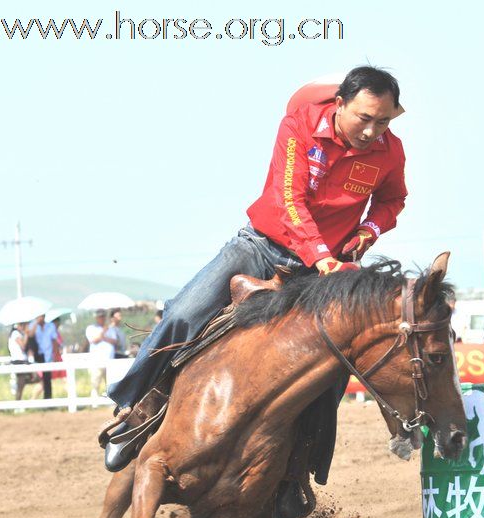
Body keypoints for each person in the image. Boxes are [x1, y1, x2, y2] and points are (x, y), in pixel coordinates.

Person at [104, 65, 408, 481]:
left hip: (325, 268)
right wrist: (320, 254)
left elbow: (393, 200)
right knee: (183, 312)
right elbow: (289, 198)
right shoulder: (298, 127)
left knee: (334, 368)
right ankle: (135, 408)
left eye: (384, 121)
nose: (373, 131)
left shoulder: (390, 152)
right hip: (261, 246)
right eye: (365, 118)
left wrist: (368, 231)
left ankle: (298, 472)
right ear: (340, 104)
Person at [86, 309, 117, 399]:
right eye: (100, 316)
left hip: (109, 359)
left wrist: (104, 337)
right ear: (96, 318)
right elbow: (93, 340)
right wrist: (103, 332)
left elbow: (114, 341)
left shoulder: (111, 329)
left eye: (103, 316)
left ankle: (110, 400)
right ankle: (94, 401)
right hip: (97, 359)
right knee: (95, 382)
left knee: (110, 382)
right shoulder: (91, 328)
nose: (102, 318)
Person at [28, 315, 59, 399]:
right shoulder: (32, 325)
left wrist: (56, 355)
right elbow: (30, 335)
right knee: (40, 379)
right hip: (37, 356)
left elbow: (54, 340)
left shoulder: (50, 326)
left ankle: (47, 399)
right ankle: (32, 399)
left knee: (47, 379)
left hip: (48, 355)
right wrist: (36, 323)